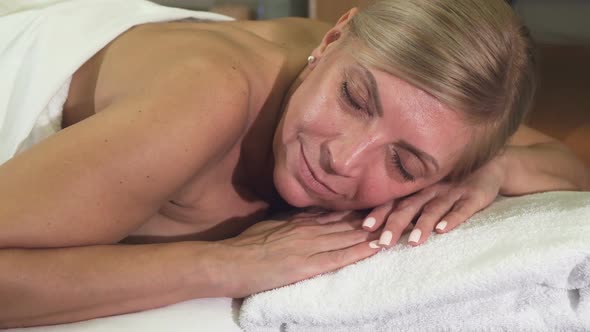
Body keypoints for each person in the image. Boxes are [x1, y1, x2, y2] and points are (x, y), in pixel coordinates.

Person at [0, 0, 588, 328]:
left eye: (405, 165)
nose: (342, 156)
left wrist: (492, 174)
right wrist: (222, 266)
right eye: (354, 100)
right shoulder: (205, 101)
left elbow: (564, 166)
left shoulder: (429, 103)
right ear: (331, 42)